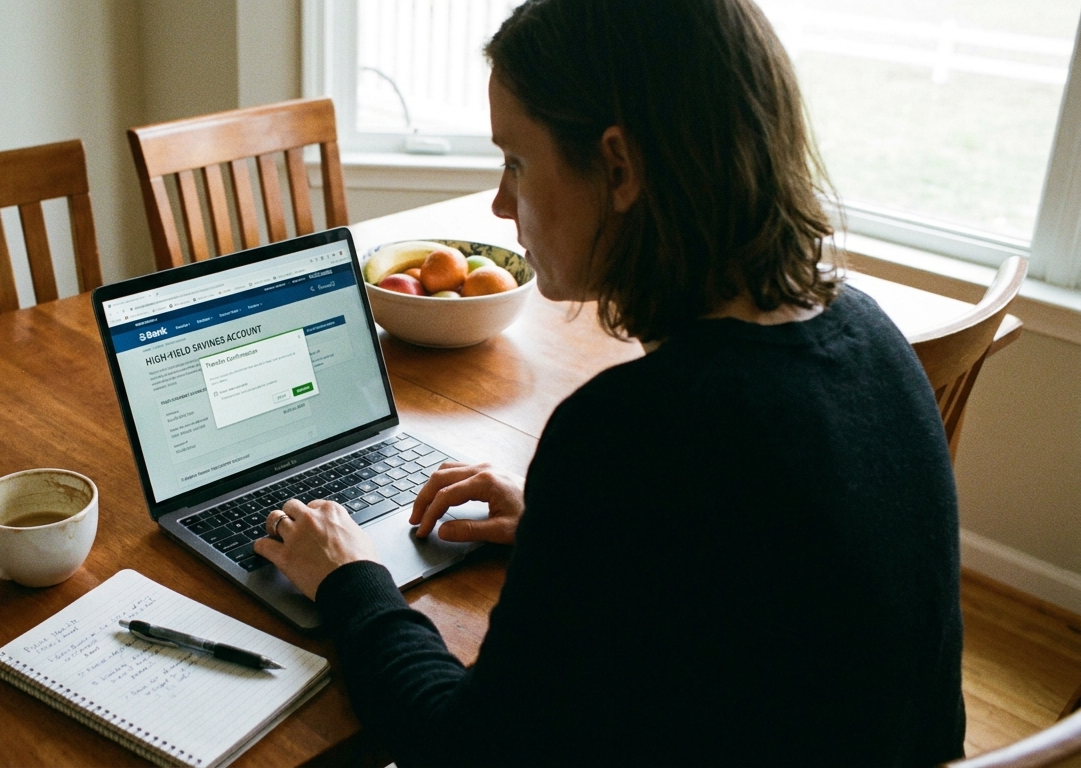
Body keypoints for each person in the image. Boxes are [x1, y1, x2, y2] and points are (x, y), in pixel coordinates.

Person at [253, 0, 965, 765]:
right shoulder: (870, 334)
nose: (501, 202)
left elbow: (466, 750)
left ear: (619, 167)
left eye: (516, 162)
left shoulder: (634, 432)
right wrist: (564, 529)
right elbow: (750, 586)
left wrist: (351, 578)